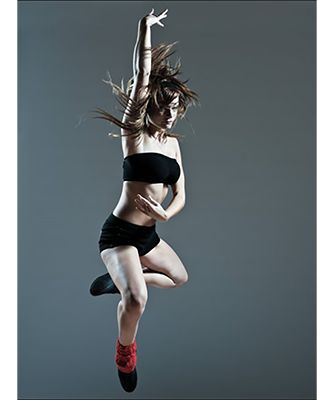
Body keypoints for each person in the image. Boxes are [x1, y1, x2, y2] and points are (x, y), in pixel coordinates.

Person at [88, 8, 199, 392]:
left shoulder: (173, 147)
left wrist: (165, 214)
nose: (169, 115)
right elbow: (142, 74)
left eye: (175, 109)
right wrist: (144, 28)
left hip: (148, 236)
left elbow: (181, 194)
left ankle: (118, 282)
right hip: (120, 235)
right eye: (163, 107)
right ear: (150, 105)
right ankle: (125, 352)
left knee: (179, 278)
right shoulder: (135, 133)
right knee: (137, 299)